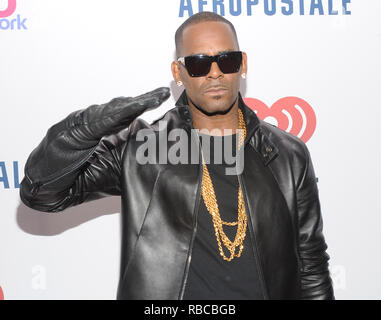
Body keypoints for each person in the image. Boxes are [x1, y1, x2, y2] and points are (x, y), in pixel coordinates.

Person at [20, 11, 334, 300]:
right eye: (198, 64)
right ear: (178, 72)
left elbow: (311, 263)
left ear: (243, 64)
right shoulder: (143, 148)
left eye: (227, 61)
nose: (215, 74)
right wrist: (82, 130)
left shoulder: (287, 154)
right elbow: (43, 195)